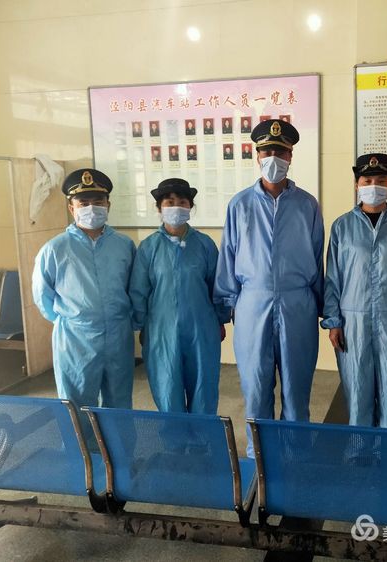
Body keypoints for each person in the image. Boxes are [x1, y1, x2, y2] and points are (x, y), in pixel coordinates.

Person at [215, 118, 324, 456]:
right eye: (267, 152)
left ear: (291, 156)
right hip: (252, 304)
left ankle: (296, 457)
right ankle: (259, 460)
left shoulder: (307, 205)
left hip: (298, 304)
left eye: (281, 152)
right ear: (257, 155)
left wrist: (323, 309)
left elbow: (317, 257)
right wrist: (224, 308)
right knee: (256, 387)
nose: (273, 157)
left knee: (296, 387)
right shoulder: (240, 205)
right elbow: (228, 256)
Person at [323, 154, 387, 428]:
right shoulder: (343, 226)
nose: (374, 186)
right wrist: (333, 321)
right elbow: (333, 277)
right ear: (357, 184)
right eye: (367, 180)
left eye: (381, 180)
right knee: (357, 394)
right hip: (352, 321)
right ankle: (361, 447)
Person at [32, 168, 135, 409]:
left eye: (98, 201)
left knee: (119, 402)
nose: (91, 208)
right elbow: (42, 295)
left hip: (118, 335)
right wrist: (73, 321)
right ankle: (82, 438)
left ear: (108, 205)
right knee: (76, 404)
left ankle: (117, 437)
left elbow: (134, 287)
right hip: (75, 338)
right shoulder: (55, 249)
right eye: (84, 203)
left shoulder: (124, 245)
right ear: (72, 208)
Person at [130, 179, 228, 414]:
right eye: (169, 202)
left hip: (201, 329)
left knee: (203, 389)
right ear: (159, 208)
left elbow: (217, 286)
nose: (176, 207)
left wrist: (220, 319)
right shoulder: (149, 247)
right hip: (161, 331)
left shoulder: (204, 244)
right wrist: (141, 324)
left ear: (190, 206)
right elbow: (139, 290)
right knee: (167, 389)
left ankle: (203, 434)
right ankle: (174, 435)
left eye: (182, 202)